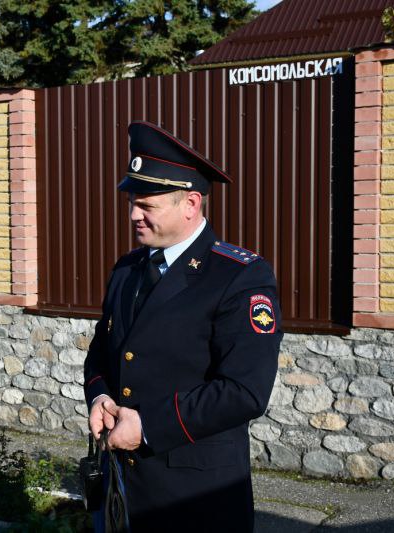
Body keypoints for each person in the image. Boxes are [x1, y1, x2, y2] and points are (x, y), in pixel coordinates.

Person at [84, 121, 283, 532]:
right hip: (125, 488)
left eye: (148, 205)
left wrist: (148, 427)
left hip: (197, 497)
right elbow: (104, 351)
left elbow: (245, 391)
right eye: (132, 201)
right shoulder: (128, 269)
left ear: (191, 204)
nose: (134, 214)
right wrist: (100, 394)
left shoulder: (239, 276)